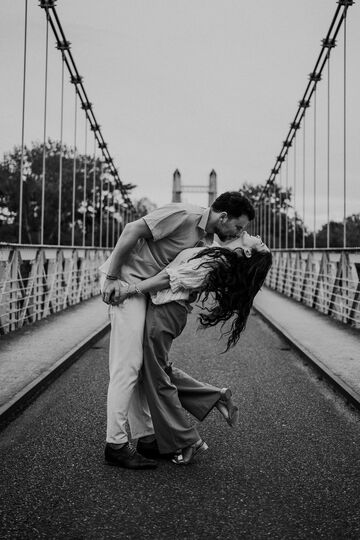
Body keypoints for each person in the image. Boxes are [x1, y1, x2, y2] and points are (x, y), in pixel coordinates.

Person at [100, 192, 255, 469]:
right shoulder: (184, 215)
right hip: (125, 283)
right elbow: (131, 229)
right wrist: (112, 277)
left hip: (143, 290)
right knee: (128, 366)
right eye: (238, 227)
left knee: (145, 365)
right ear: (223, 217)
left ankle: (146, 438)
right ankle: (116, 445)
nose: (238, 233)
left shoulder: (207, 241)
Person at [114, 233, 272, 465]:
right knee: (158, 370)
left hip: (165, 313)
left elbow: (169, 279)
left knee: (156, 378)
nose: (258, 235)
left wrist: (130, 289)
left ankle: (187, 440)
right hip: (167, 312)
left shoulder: (217, 261)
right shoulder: (216, 252)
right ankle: (214, 397)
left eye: (261, 242)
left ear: (248, 252)